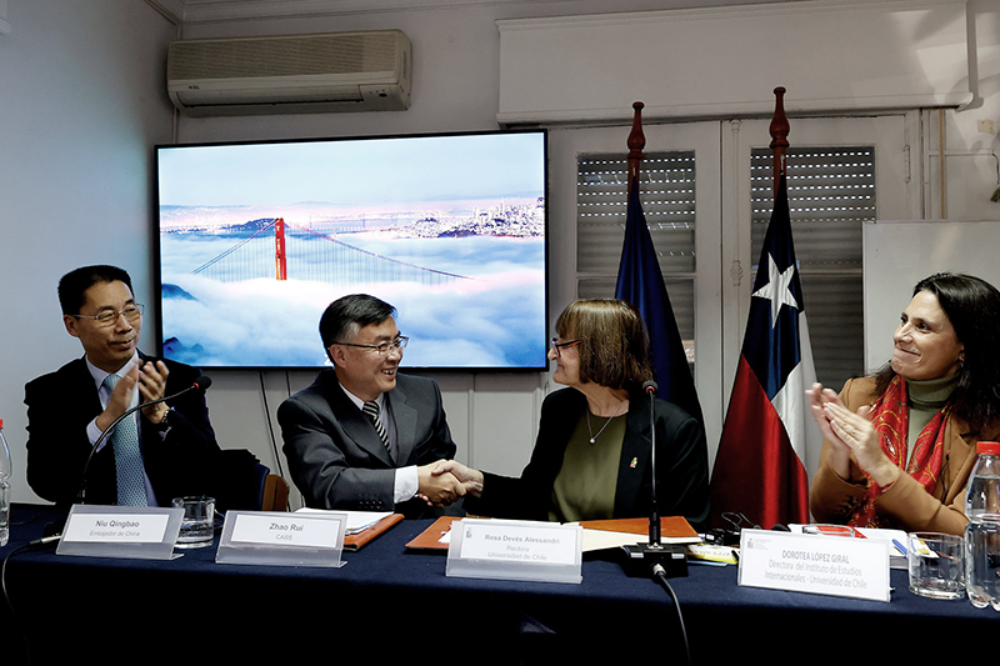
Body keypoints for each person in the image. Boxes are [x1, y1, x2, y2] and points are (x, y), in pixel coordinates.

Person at [432, 299, 711, 530]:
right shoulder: (559, 408)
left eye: (562, 344)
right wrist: (474, 482)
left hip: (623, 578)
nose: (552, 354)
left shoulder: (673, 429)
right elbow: (533, 498)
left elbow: (687, 526)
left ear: (599, 350)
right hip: (552, 568)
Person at [807, 272, 1000, 535]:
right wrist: (840, 457)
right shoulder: (859, 395)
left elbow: (970, 533)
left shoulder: (992, 427)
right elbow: (825, 514)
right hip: (854, 567)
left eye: (923, 327)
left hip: (933, 573)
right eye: (904, 320)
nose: (900, 335)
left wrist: (881, 467)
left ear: (964, 349)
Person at [25, 265, 220, 507]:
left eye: (131, 310)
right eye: (106, 316)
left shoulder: (179, 379)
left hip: (172, 531)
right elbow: (46, 484)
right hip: (94, 535)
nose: (125, 326)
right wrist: (103, 423)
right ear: (72, 325)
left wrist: (162, 415)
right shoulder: (50, 392)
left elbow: (212, 470)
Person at [278, 294, 465, 518]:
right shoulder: (305, 410)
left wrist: (445, 534)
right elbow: (328, 486)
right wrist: (414, 480)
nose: (396, 355)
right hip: (353, 544)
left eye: (397, 342)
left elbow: (444, 475)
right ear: (340, 355)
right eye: (382, 346)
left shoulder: (424, 393)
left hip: (422, 534)